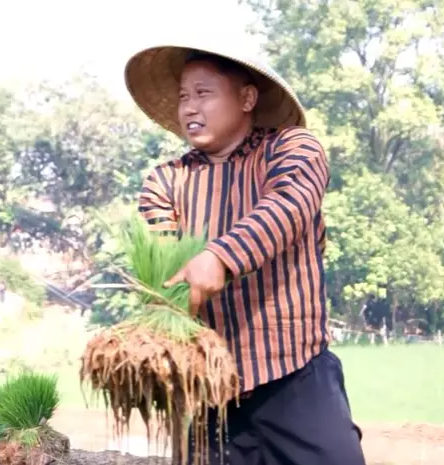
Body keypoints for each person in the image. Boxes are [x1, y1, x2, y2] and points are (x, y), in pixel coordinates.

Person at [125, 43, 366, 465]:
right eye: (183, 96)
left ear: (247, 98)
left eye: (204, 93)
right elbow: (163, 264)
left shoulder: (292, 149)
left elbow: (288, 206)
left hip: (294, 376)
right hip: (209, 389)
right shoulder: (167, 181)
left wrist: (220, 257)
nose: (190, 107)